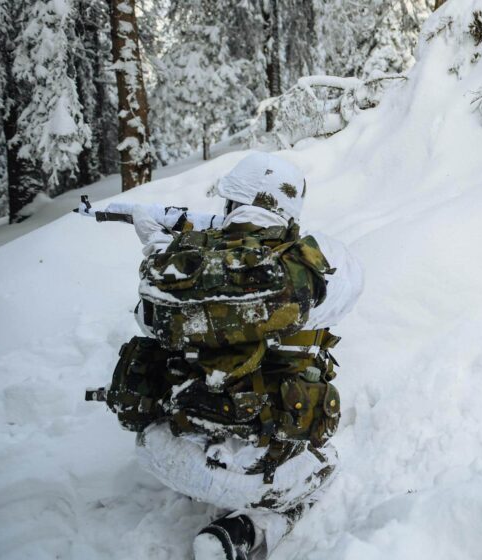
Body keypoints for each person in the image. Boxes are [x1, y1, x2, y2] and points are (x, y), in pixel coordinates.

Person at [102, 152, 363, 560]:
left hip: (161, 451)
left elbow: (147, 319)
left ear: (230, 203)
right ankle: (247, 530)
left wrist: (165, 243)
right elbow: (344, 286)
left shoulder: (181, 269)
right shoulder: (311, 273)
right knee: (326, 463)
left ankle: (217, 496)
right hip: (257, 471)